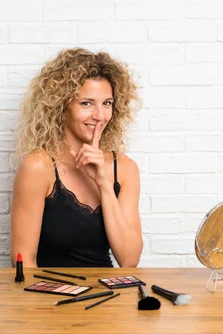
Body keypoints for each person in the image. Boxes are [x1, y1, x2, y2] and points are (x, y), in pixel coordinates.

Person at [9, 48, 143, 268]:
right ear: (61, 107)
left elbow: (129, 260)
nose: (100, 116)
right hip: (51, 295)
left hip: (107, 296)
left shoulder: (125, 169)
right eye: (86, 103)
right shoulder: (38, 167)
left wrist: (104, 184)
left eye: (107, 103)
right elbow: (23, 262)